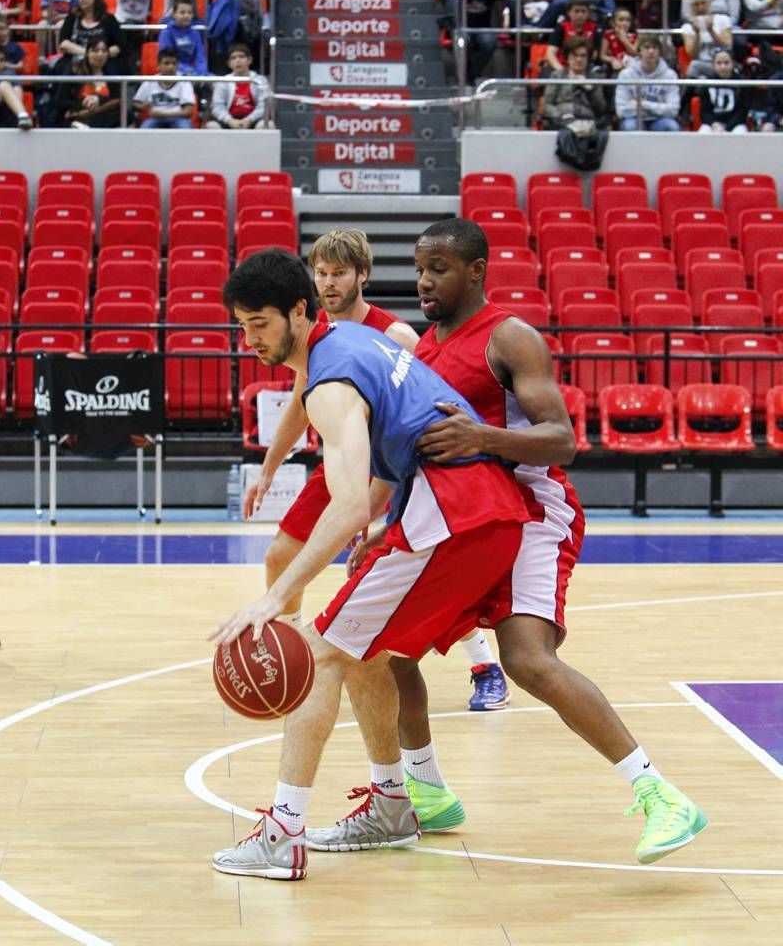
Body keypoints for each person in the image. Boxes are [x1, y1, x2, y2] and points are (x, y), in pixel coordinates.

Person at [304, 218, 708, 866]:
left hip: (531, 510)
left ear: (476, 271)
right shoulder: (427, 352)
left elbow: (563, 441)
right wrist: (384, 523)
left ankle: (660, 793)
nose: (426, 280)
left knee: (526, 659)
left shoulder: (509, 336)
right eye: (420, 266)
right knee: (386, 648)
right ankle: (426, 790)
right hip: (465, 516)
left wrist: (484, 438)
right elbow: (421, 457)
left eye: (440, 267)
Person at [209, 247, 530, 880]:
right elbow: (397, 443)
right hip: (471, 510)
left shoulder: (329, 381)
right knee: (364, 651)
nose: (250, 340)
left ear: (298, 313)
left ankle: (283, 833)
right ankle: (391, 803)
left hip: (456, 513)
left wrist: (278, 596)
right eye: (242, 326)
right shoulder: (353, 341)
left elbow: (349, 499)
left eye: (260, 325)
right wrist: (387, 520)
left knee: (323, 648)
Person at [238, 229, 511, 710]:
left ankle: (482, 662)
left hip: (397, 462)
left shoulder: (393, 333)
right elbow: (301, 407)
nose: (329, 282)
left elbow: (420, 410)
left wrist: (381, 513)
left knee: (411, 569)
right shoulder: (315, 333)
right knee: (280, 554)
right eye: (321, 273)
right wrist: (268, 469)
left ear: (362, 274)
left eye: (339, 273)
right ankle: (289, 658)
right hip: (345, 455)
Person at [615, 33, 680, 130]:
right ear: (639, 50)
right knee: (630, 127)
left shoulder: (670, 75)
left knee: (671, 126)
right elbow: (621, 110)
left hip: (660, 120)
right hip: (634, 118)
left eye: (655, 47)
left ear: (659, 51)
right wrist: (658, 108)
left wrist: (642, 104)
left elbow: (673, 110)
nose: (651, 51)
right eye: (646, 47)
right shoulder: (626, 75)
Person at [55, 36, 120, 128]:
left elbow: (117, 99)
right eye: (95, 50)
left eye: (104, 51)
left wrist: (98, 99)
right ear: (87, 53)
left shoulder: (112, 74)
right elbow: (60, 101)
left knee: (123, 114)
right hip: (80, 114)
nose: (100, 54)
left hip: (103, 116)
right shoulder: (75, 72)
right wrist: (83, 103)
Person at [204, 41, 271, 129]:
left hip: (253, 120)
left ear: (249, 60)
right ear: (229, 64)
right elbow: (217, 106)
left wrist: (249, 120)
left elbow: (264, 106)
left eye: (241, 57)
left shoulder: (260, 80)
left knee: (267, 125)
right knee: (211, 126)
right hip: (229, 120)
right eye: (233, 58)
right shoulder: (223, 81)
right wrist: (229, 120)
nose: (237, 60)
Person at [58, 0, 122, 64]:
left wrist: (100, 56)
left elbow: (118, 47)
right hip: (75, 62)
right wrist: (88, 54)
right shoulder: (72, 17)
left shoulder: (109, 19)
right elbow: (63, 44)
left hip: (104, 63)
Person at [680, 0, 733, 75]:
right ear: (691, 6)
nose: (700, 7)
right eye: (696, 4)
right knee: (695, 65)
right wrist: (697, 34)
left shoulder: (723, 19)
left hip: (722, 63)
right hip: (702, 63)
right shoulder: (687, 27)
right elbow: (693, 55)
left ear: (709, 3)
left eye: (703, 3)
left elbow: (727, 46)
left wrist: (711, 31)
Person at [133, 48, 194, 129]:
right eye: (166, 63)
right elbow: (135, 103)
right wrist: (142, 107)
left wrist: (161, 114)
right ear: (158, 66)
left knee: (186, 129)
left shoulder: (184, 82)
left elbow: (188, 112)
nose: (171, 67)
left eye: (174, 63)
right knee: (144, 132)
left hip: (178, 118)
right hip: (155, 119)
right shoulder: (150, 81)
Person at [695, 49, 749, 132]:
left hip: (735, 124)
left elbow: (742, 112)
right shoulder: (707, 83)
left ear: (733, 63)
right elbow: (705, 111)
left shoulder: (742, 83)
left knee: (740, 133)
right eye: (719, 63)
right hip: (713, 124)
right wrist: (714, 124)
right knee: (703, 132)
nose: (723, 66)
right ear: (713, 65)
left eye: (726, 63)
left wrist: (727, 127)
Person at [0, 42, 32, 128]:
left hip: (6, 116)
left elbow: (18, 97)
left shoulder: (10, 75)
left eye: (1, 60)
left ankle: (24, 117)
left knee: (4, 85)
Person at [158, 0, 207, 76]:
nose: (186, 16)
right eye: (182, 12)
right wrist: (188, 72)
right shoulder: (166, 33)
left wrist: (202, 74)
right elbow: (168, 59)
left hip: (194, 72)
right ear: (174, 14)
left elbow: (200, 58)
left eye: (189, 13)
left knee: (215, 83)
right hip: (173, 71)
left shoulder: (195, 33)